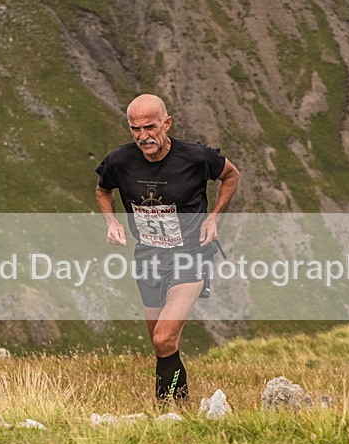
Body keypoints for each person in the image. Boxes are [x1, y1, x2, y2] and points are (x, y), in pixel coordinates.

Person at [95, 94, 240, 403]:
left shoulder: (196, 157)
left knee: (163, 337)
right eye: (135, 129)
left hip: (190, 255)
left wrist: (213, 218)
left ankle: (164, 407)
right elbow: (102, 189)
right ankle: (180, 408)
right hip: (147, 258)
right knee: (163, 344)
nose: (143, 136)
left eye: (150, 127)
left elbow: (230, 175)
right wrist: (111, 223)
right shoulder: (120, 160)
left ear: (166, 123)